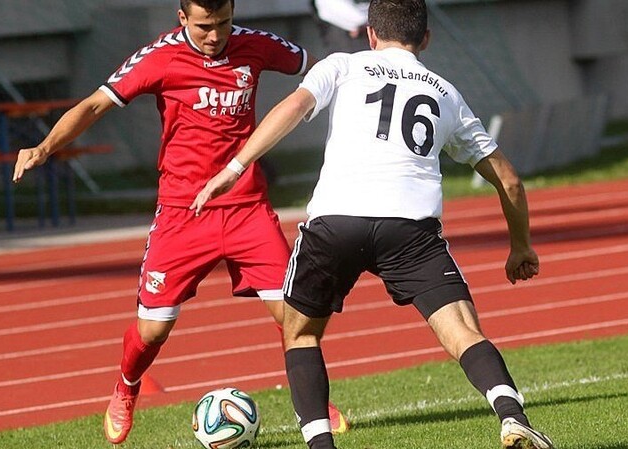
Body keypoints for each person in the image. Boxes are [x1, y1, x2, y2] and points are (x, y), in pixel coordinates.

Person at [194, 0, 555, 448]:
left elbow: (293, 107)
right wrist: (521, 246)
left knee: (301, 333)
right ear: (425, 39)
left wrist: (235, 167)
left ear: (369, 33)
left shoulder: (343, 66)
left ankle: (322, 445)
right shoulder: (445, 92)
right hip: (410, 228)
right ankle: (511, 416)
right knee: (462, 330)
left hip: (337, 220)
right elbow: (510, 180)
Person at [12, 0, 348, 444]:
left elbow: (324, 69)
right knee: (153, 329)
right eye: (205, 26)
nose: (216, 35)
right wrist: (45, 146)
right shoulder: (160, 58)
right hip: (182, 214)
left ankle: (312, 398)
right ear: (182, 18)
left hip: (248, 208)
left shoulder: (257, 46)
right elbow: (95, 105)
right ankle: (126, 388)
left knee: (295, 316)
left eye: (224, 23)